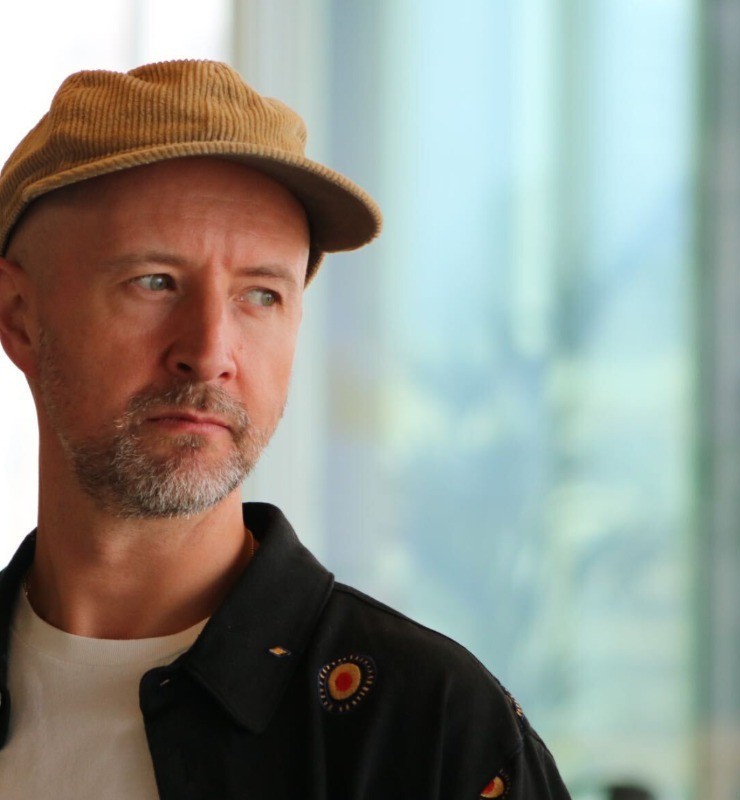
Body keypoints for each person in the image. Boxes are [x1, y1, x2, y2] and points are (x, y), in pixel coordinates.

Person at [0, 60, 572, 799]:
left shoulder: (429, 730)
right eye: (154, 282)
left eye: (261, 295)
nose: (209, 351)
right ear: (19, 315)